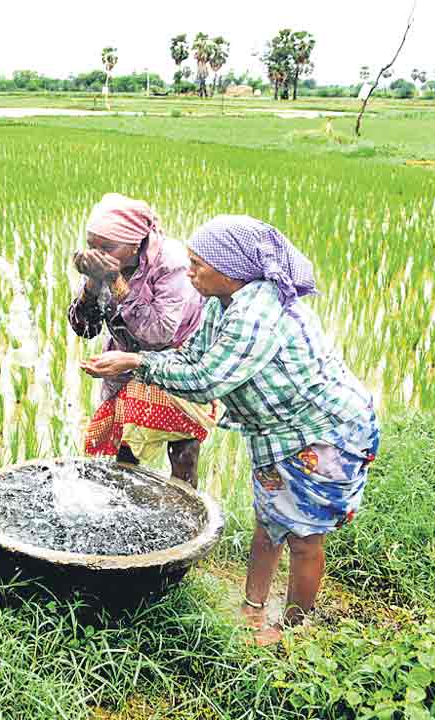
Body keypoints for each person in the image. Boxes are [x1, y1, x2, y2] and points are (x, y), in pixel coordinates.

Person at [79, 215, 379, 645]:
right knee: (270, 519)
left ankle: (294, 631)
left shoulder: (259, 312)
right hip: (276, 435)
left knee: (304, 534)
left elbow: (208, 380)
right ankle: (254, 608)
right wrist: (133, 363)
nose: (189, 272)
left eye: (199, 264)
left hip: (324, 433)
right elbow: (189, 359)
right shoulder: (220, 305)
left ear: (233, 269)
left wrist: (138, 363)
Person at [68, 194, 217, 485]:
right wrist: (91, 283)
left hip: (176, 366)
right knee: (125, 454)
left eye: (108, 247)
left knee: (183, 453)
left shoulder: (171, 264)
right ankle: (123, 510)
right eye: (92, 246)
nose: (98, 253)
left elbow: (159, 334)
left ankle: (184, 517)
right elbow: (85, 328)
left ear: (135, 243)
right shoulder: (102, 265)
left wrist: (114, 281)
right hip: (123, 365)